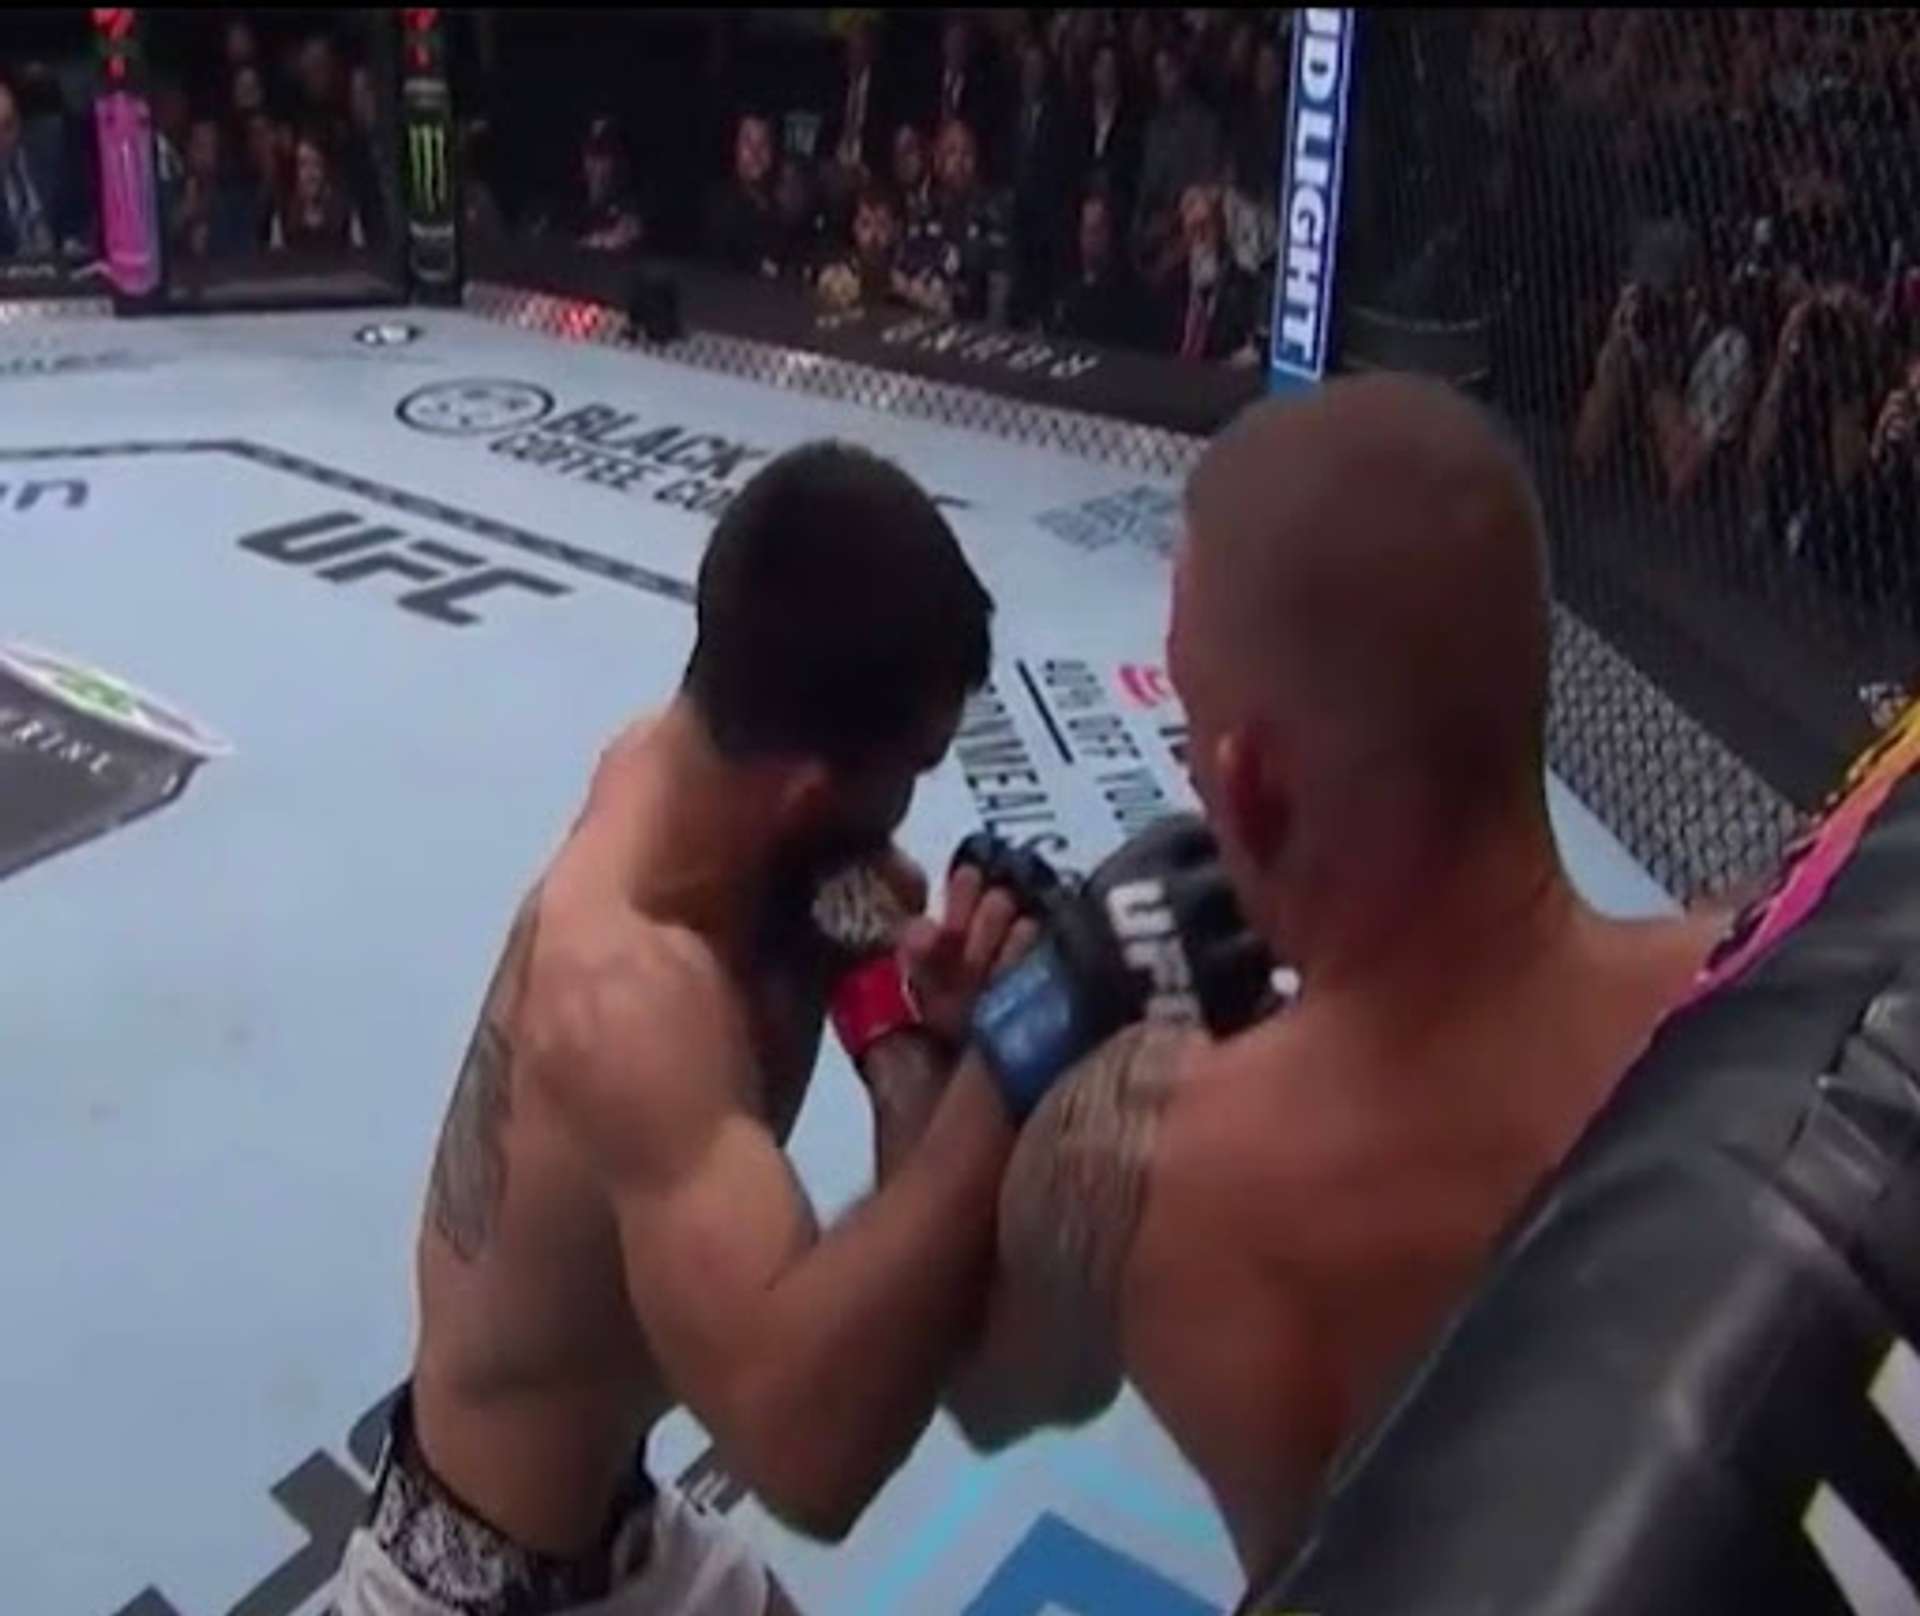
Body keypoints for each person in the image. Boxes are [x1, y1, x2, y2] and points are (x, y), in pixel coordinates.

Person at [929, 376, 1727, 1580]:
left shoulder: (1157, 1173)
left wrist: (976, 1056)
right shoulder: (1755, 986)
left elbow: (981, 1386)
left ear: (1249, 783)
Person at [335, 443, 1038, 1616]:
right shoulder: (630, 1001)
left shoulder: (684, 774)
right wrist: (1001, 1086)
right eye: (908, 772)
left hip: (618, 1525)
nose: (906, 822)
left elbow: (942, 1305)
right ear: (811, 791)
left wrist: (902, 1024)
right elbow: (814, 1455)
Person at [1048, 189, 1146, 349]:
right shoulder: (1067, 285)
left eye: (1096, 231)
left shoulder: (1130, 293)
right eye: (1086, 230)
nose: (1089, 240)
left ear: (1112, 234)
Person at [707, 112, 782, 278]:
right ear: (733, 148)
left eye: (764, 143)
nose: (756, 153)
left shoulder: (777, 203)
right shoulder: (720, 203)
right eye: (747, 142)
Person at [268, 131, 365, 251]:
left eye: (316, 164)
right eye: (303, 165)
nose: (310, 174)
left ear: (326, 168)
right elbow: (276, 258)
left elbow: (360, 256)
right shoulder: (283, 215)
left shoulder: (347, 213)